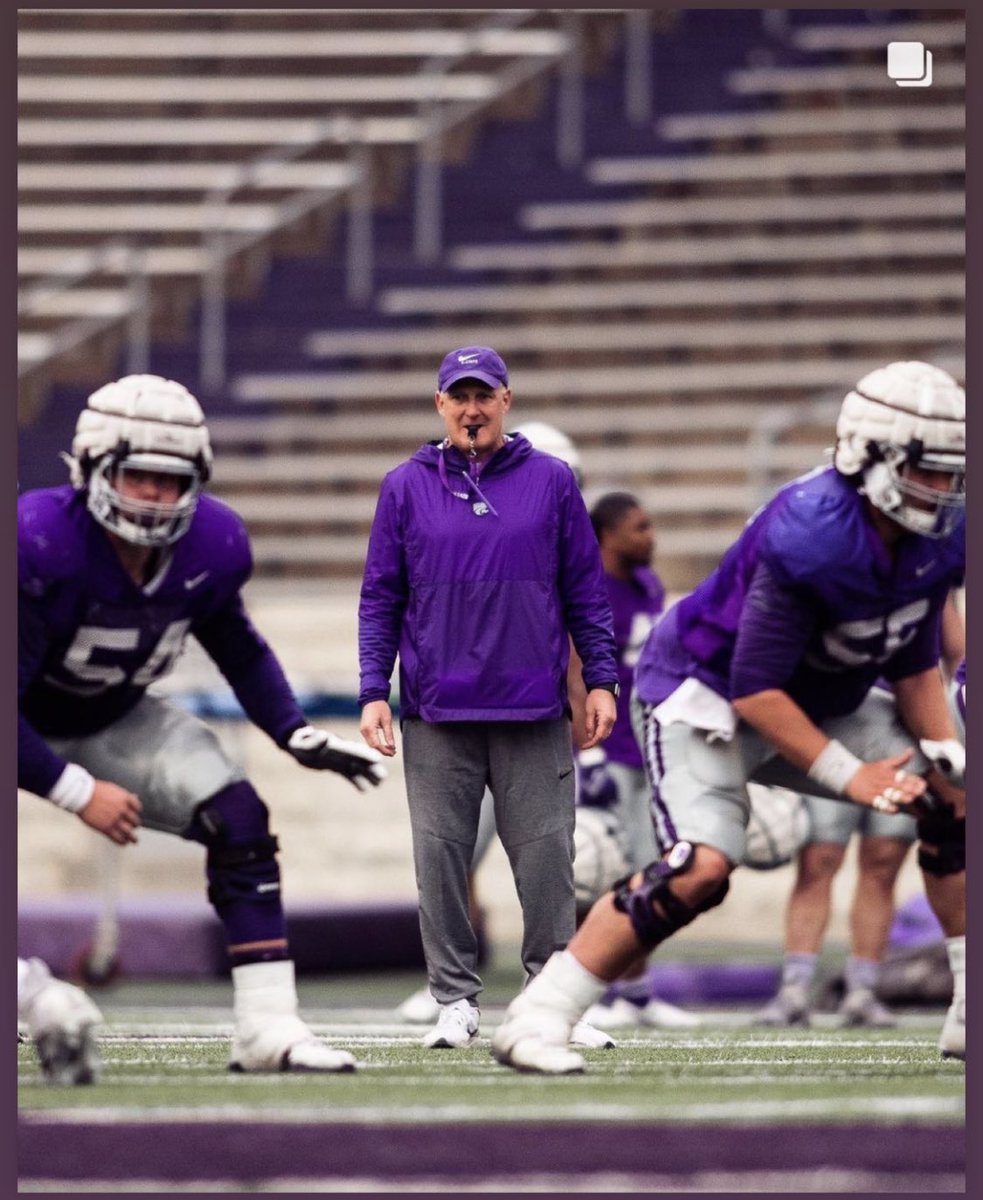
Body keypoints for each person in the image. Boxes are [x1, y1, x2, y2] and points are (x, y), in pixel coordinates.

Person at [490, 360, 966, 1073]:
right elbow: (753, 689)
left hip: (816, 698)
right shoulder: (809, 532)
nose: (943, 488)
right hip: (704, 696)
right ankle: (539, 1015)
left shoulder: (935, 535)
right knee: (700, 869)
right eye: (927, 470)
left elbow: (909, 655)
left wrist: (942, 746)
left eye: (951, 471)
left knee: (951, 797)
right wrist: (851, 776)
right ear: (870, 455)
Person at [18, 374, 386, 1074]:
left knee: (238, 817)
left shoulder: (211, 546)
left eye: (170, 478)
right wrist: (75, 791)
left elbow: (236, 643)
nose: (153, 496)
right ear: (92, 467)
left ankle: (268, 1027)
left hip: (110, 715)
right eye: (137, 476)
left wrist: (291, 731)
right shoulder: (38, 540)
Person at [358, 347, 620, 1051]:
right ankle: (453, 999)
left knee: (546, 861)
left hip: (532, 705)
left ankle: (551, 999)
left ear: (506, 400)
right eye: (457, 397)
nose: (471, 408)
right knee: (438, 858)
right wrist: (371, 692)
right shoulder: (403, 486)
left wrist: (600, 679)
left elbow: (585, 592)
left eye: (484, 395)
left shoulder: (552, 482)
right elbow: (381, 596)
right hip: (437, 709)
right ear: (440, 405)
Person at [756, 594, 964, 1029]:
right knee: (819, 858)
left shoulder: (926, 573)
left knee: (883, 863)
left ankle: (863, 989)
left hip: (905, 727)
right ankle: (794, 989)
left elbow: (956, 649)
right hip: (836, 723)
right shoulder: (839, 564)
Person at [576, 492, 700, 1031]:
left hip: (648, 746)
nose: (651, 537)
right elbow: (573, 671)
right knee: (599, 869)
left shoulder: (648, 585)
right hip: (607, 749)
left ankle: (635, 992)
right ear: (608, 535)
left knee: (645, 869)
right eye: (640, 528)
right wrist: (590, 750)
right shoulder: (589, 588)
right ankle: (600, 991)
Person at [18, 956, 103, 1085]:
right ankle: (76, 1055)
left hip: (48, 1005)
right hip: (72, 995)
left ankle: (64, 1056)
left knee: (53, 1023)